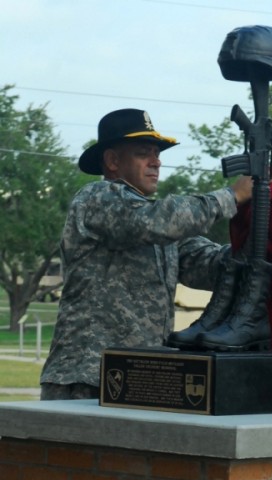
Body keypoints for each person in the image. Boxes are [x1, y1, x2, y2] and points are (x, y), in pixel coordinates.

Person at [40, 108, 253, 400]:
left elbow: (210, 265)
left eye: (157, 154)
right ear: (113, 161)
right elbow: (157, 221)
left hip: (140, 377)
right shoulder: (97, 198)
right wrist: (230, 197)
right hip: (86, 377)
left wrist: (258, 247)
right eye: (144, 153)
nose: (156, 162)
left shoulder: (159, 228)